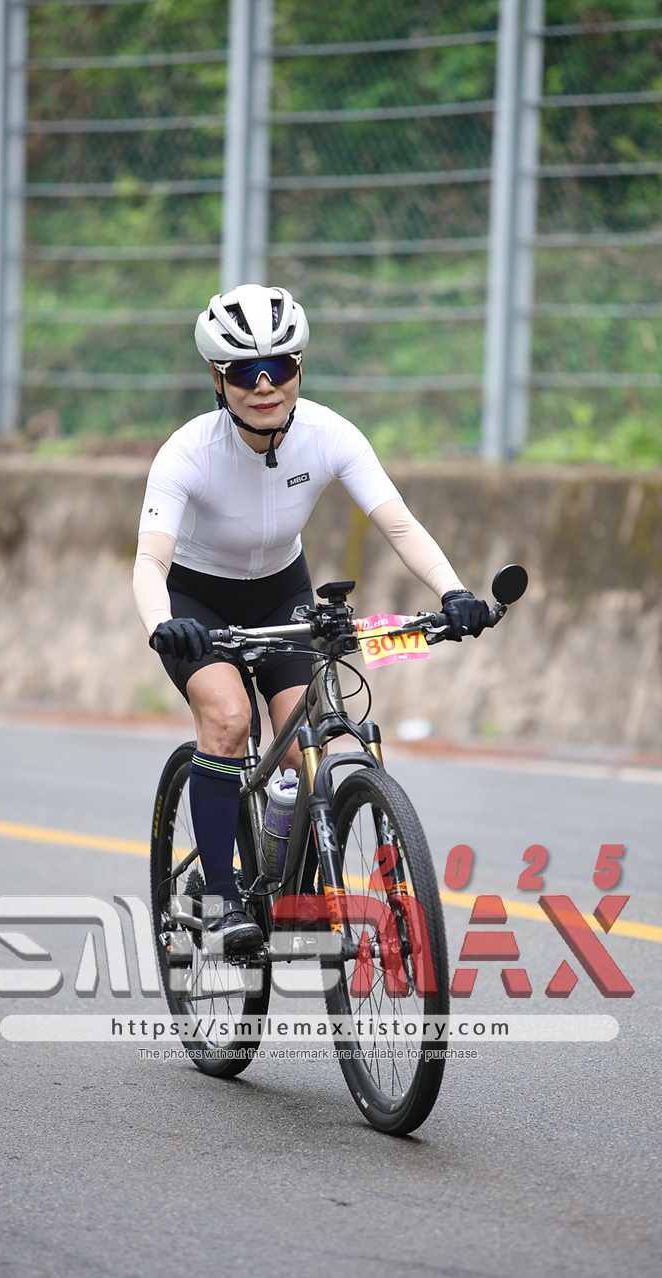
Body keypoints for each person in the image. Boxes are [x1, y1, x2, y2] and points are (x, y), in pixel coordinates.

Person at [133, 284, 490, 955]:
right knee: (228, 719)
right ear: (218, 377)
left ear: (299, 366)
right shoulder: (187, 451)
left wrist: (453, 591)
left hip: (281, 593)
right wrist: (162, 622)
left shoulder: (330, 434)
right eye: (245, 372)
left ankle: (283, 875)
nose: (265, 386)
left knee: (307, 747)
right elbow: (150, 561)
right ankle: (221, 897)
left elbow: (398, 524)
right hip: (196, 603)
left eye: (280, 367)